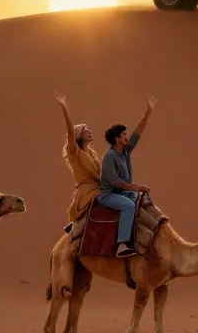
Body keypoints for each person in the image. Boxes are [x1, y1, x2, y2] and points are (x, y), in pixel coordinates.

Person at [97, 96, 158, 258]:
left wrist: (148, 111)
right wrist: (136, 187)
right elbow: (115, 181)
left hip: (122, 193)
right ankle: (122, 244)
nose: (127, 136)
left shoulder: (125, 151)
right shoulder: (109, 157)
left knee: (142, 201)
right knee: (129, 206)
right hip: (108, 195)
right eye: (124, 134)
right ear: (117, 139)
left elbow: (137, 134)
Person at [52, 90, 102, 233]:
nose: (89, 131)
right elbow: (70, 132)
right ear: (80, 135)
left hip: (99, 187)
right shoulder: (75, 152)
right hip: (88, 192)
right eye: (86, 130)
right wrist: (64, 107)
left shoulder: (92, 154)